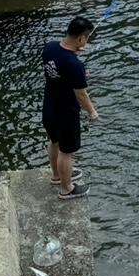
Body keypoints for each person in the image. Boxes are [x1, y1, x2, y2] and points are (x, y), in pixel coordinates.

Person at [42, 15, 99, 198]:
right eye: (86, 38)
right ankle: (67, 188)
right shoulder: (74, 65)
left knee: (54, 141)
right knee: (66, 152)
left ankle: (57, 176)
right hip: (66, 111)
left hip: (49, 105)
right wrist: (92, 112)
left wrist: (73, 52)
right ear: (82, 39)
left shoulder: (50, 48)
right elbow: (81, 94)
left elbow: (61, 61)